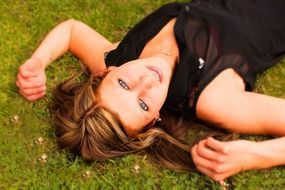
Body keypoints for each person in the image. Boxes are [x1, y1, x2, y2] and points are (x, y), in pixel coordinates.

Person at [16, 0, 285, 182]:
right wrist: (255, 156)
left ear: (106, 73)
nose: (147, 83)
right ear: (153, 119)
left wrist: (39, 61)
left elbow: (72, 31)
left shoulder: (117, 57)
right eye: (143, 105)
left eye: (123, 84)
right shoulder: (211, 98)